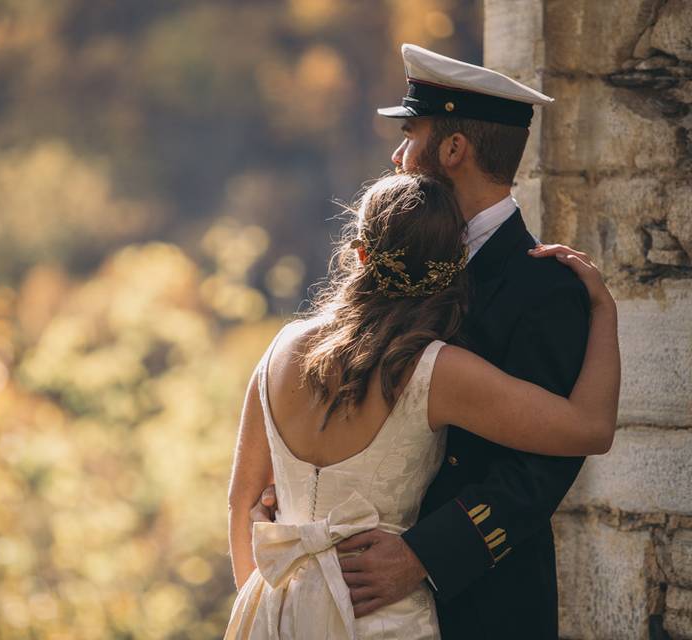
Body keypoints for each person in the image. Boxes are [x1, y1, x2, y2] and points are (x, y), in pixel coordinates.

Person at [232, 44, 620, 639]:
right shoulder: (395, 259)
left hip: (484, 601)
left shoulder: (544, 283)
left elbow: (540, 470)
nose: (396, 153)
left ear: (454, 148)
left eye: (410, 132)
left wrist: (425, 554)